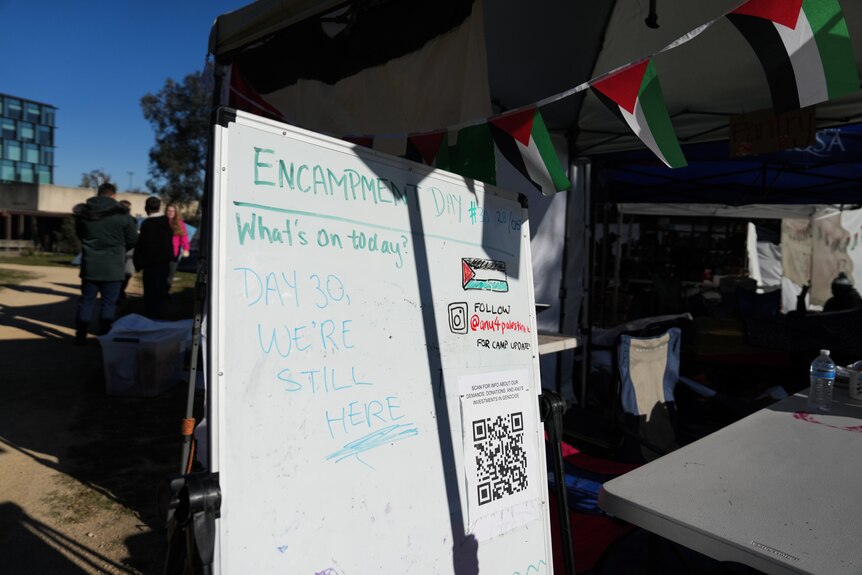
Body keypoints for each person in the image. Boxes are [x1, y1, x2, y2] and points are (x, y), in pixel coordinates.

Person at [72, 182, 138, 344]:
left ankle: (81, 334)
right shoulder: (123, 216)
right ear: (114, 196)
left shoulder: (84, 213)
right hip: (113, 265)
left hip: (90, 264)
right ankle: (103, 335)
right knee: (108, 303)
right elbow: (133, 240)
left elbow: (81, 234)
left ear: (98, 193)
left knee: (86, 301)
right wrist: (120, 248)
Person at [133, 196, 174, 318]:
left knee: (151, 293)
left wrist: (139, 263)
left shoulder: (148, 224)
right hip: (165, 263)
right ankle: (159, 314)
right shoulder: (166, 222)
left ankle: (151, 316)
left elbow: (144, 246)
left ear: (146, 208)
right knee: (161, 290)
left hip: (151, 265)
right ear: (159, 207)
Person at [165, 203, 190, 293]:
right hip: (161, 253)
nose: (170, 212)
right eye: (169, 210)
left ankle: (165, 292)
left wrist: (186, 249)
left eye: (173, 211)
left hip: (174, 253)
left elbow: (184, 238)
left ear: (176, 212)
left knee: (170, 274)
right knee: (160, 274)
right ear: (166, 211)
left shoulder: (180, 224)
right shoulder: (161, 222)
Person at [117, 200, 138, 303]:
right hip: (118, 250)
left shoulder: (132, 220)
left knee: (127, 273)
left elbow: (133, 237)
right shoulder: (114, 219)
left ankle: (121, 290)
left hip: (129, 250)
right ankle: (118, 293)